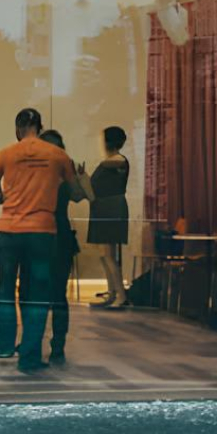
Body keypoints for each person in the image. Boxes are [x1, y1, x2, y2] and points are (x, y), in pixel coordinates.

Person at [0, 108, 85, 373]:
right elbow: (75, 193)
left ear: (17, 129)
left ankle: (5, 346)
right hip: (42, 232)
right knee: (37, 294)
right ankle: (29, 357)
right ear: (39, 126)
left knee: (6, 290)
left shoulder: (5, 154)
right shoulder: (59, 156)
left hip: (9, 231)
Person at [39, 128, 80, 364]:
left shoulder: (64, 172)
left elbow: (78, 196)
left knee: (54, 295)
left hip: (55, 236)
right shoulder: (55, 172)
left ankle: (57, 344)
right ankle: (49, 344)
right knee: (47, 295)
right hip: (46, 235)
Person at [87, 126, 130, 309]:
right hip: (101, 207)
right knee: (104, 255)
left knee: (110, 255)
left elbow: (115, 162)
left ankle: (121, 295)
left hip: (111, 208)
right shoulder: (108, 162)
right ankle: (112, 292)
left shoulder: (118, 160)